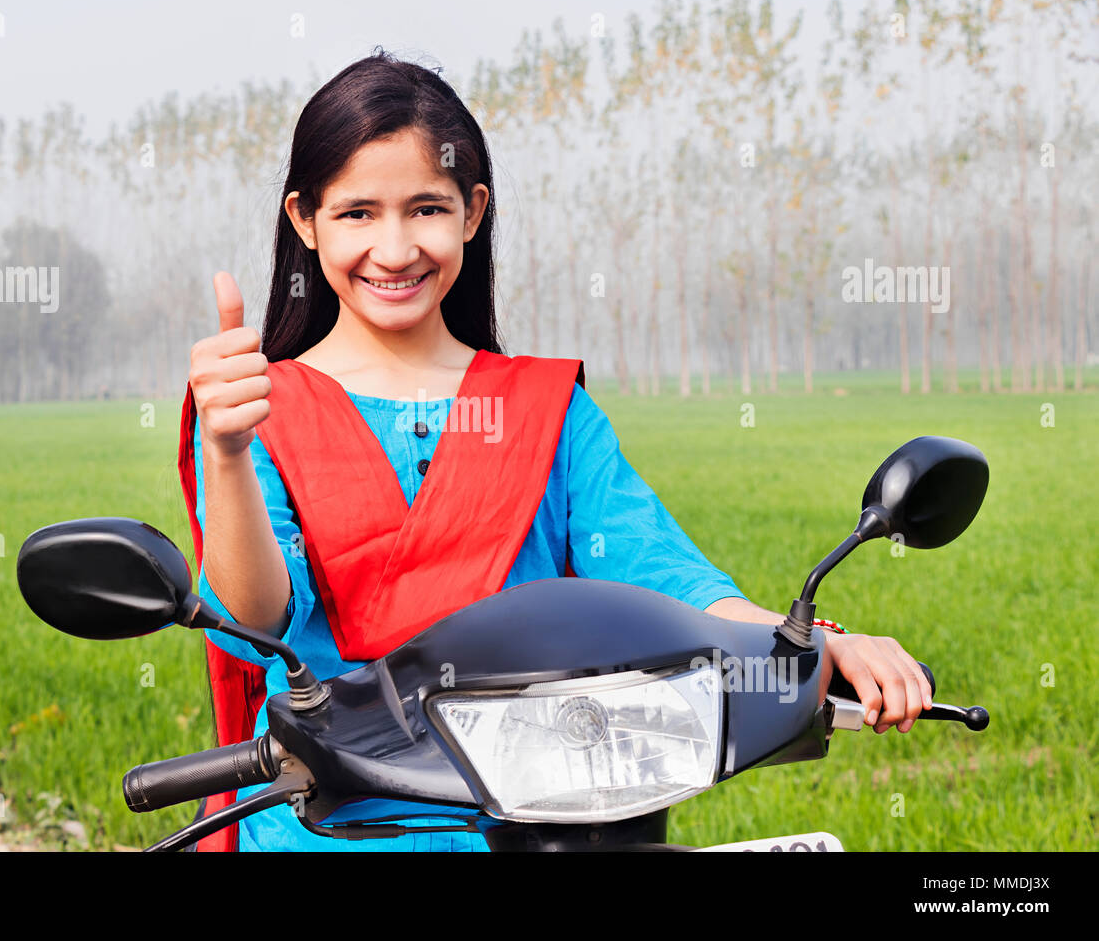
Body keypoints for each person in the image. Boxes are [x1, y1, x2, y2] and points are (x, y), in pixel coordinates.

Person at [178, 51, 933, 852]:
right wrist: (225, 451)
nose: (394, 249)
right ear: (305, 220)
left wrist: (821, 642)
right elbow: (255, 618)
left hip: (541, 818)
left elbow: (665, 575)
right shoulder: (259, 408)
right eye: (358, 213)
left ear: (472, 212)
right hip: (323, 825)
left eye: (426, 210)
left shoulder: (549, 410)